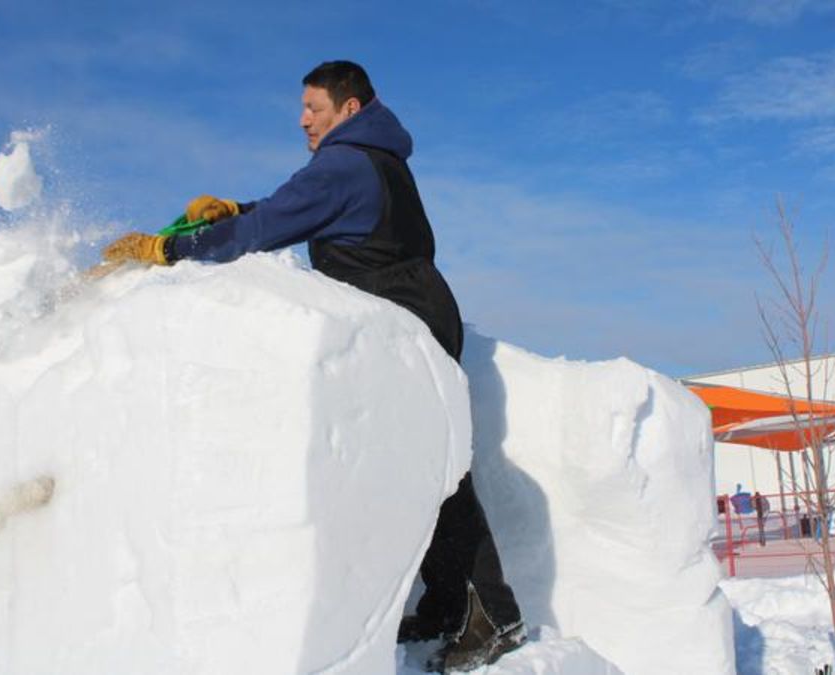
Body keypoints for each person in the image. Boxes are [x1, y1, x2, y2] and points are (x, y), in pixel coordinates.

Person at [102, 60, 525, 673]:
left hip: (404, 314)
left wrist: (170, 249)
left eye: (313, 108)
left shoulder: (345, 162)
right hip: (414, 305)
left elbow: (269, 228)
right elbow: (287, 207)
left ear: (348, 109)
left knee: (439, 470)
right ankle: (445, 605)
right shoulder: (369, 158)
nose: (302, 120)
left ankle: (492, 613)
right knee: (420, 466)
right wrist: (231, 208)